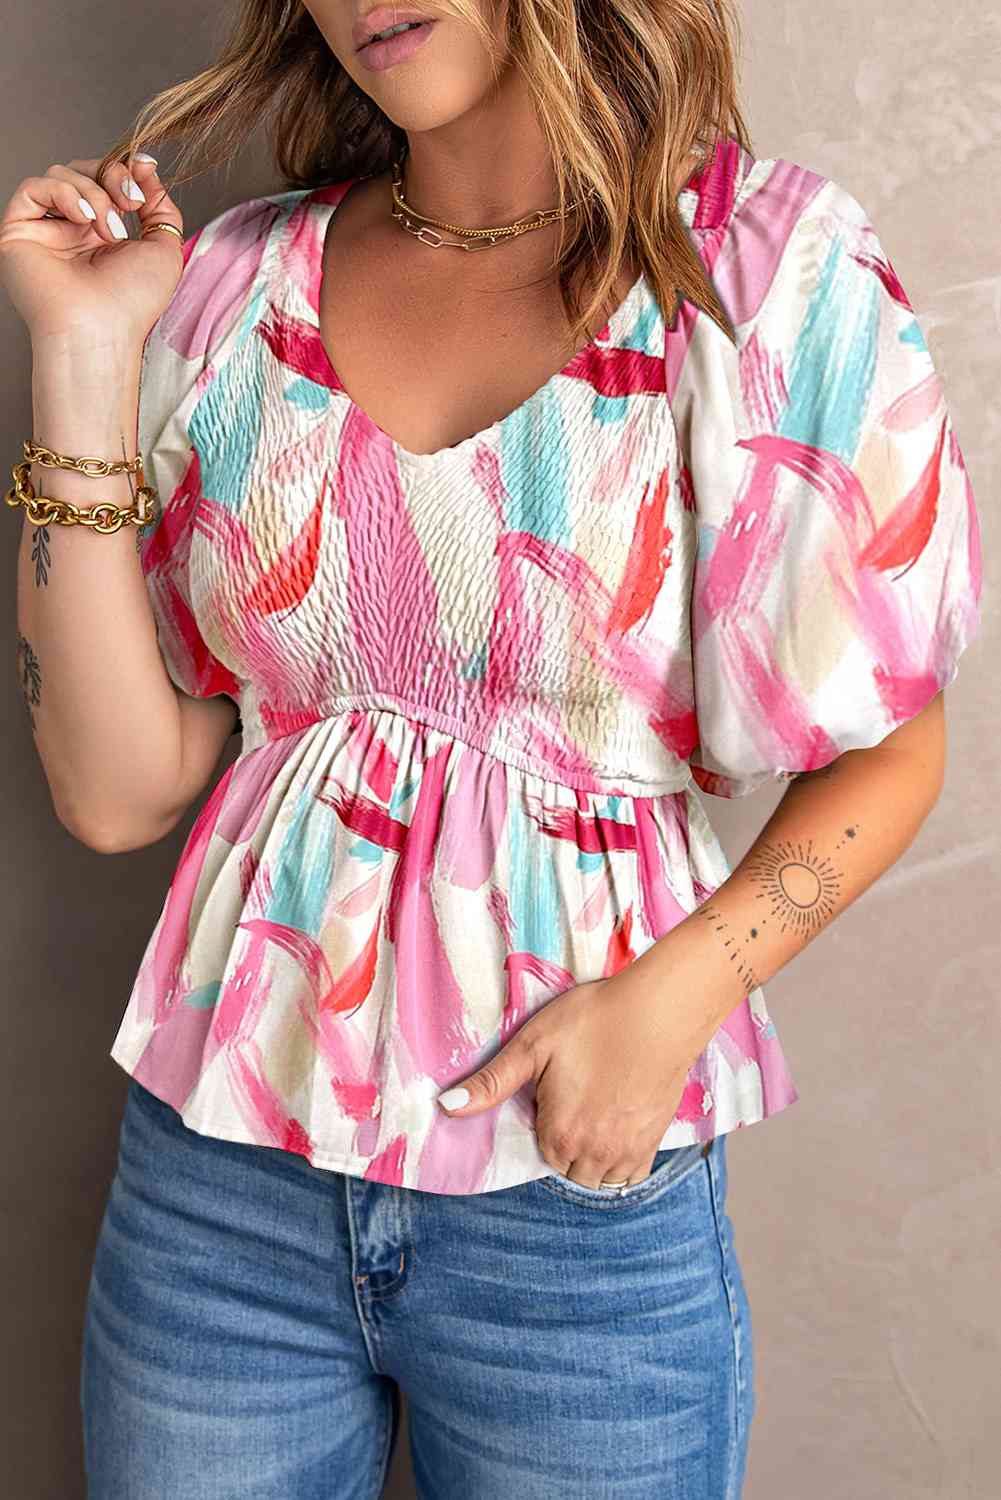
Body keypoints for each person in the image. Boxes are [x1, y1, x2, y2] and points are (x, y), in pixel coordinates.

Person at [1, 0, 983, 1494]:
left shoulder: (761, 267)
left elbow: (889, 753)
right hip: (221, 1193)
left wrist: (670, 1008)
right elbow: (117, 791)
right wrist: (81, 352)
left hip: (571, 1215)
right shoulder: (236, 284)